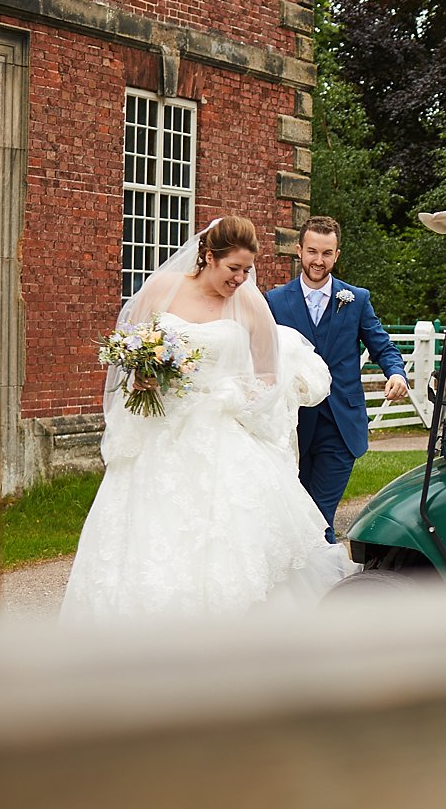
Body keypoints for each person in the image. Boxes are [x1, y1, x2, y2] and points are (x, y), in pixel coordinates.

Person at [61, 216, 355, 619]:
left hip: (220, 430)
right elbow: (129, 346)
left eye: (247, 270)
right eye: (233, 268)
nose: (240, 278)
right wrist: (141, 373)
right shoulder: (163, 289)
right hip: (159, 434)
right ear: (208, 256)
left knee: (228, 542)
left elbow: (270, 377)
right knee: (148, 539)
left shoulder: (249, 302)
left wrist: (229, 393)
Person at [266, 216, 409, 543]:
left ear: (337, 254)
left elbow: (382, 345)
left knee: (319, 516)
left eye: (327, 253)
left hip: (341, 424)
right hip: (292, 426)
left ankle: (322, 585)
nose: (319, 260)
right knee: (292, 513)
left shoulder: (356, 299)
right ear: (299, 250)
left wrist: (396, 373)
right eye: (312, 251)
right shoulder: (273, 301)